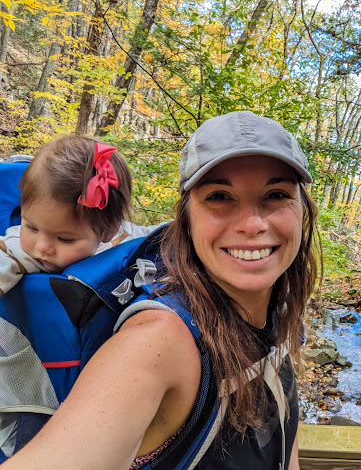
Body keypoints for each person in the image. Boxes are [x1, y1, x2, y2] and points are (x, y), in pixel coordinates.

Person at [1, 111, 318, 469]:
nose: (252, 224)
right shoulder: (159, 340)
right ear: (185, 217)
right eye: (219, 196)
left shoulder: (278, 306)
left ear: (303, 210)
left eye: (275, 194)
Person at [0, 135, 162, 295]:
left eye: (64, 238)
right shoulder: (16, 251)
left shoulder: (122, 239)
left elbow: (152, 235)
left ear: (108, 231)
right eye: (31, 227)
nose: (41, 246)